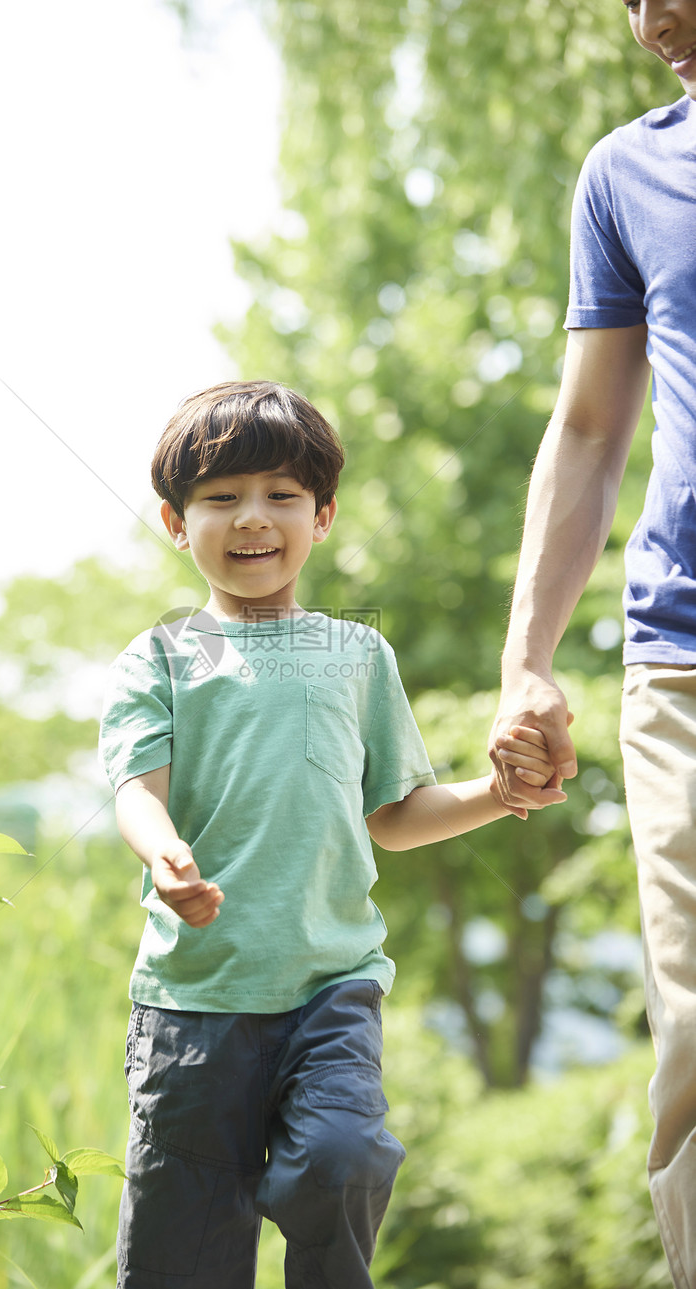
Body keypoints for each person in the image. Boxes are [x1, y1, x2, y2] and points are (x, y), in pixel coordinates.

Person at [100, 380, 564, 1289]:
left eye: (281, 495)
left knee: (341, 1157)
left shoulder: (358, 654)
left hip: (330, 990)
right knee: (179, 1258)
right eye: (221, 498)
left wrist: (497, 792)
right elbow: (134, 791)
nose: (252, 519)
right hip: (194, 1003)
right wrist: (164, 855)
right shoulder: (156, 657)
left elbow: (393, 816)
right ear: (173, 519)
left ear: (324, 516)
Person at [487, 3, 696, 1284]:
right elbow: (584, 430)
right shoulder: (626, 171)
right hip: (681, 656)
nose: (645, 19)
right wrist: (527, 656)